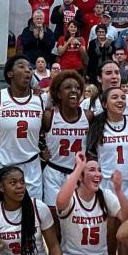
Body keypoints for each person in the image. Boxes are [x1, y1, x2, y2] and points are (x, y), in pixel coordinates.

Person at [0, 55, 46, 200]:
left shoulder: (42, 99)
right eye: (21, 66)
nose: (28, 70)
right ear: (10, 73)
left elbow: (48, 128)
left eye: (30, 68)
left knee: (32, 214)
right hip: (4, 164)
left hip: (31, 166)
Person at [86, 86, 128, 206]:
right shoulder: (96, 125)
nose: (120, 100)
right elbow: (90, 154)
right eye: (114, 97)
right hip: (107, 183)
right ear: (105, 104)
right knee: (111, 223)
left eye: (123, 97)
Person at [41, 71, 91, 207]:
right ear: (58, 94)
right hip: (53, 172)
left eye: (77, 88)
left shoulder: (88, 116)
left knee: (75, 214)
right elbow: (34, 135)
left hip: (77, 173)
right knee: (54, 213)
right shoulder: (49, 116)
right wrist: (42, 152)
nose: (74, 90)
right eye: (68, 87)